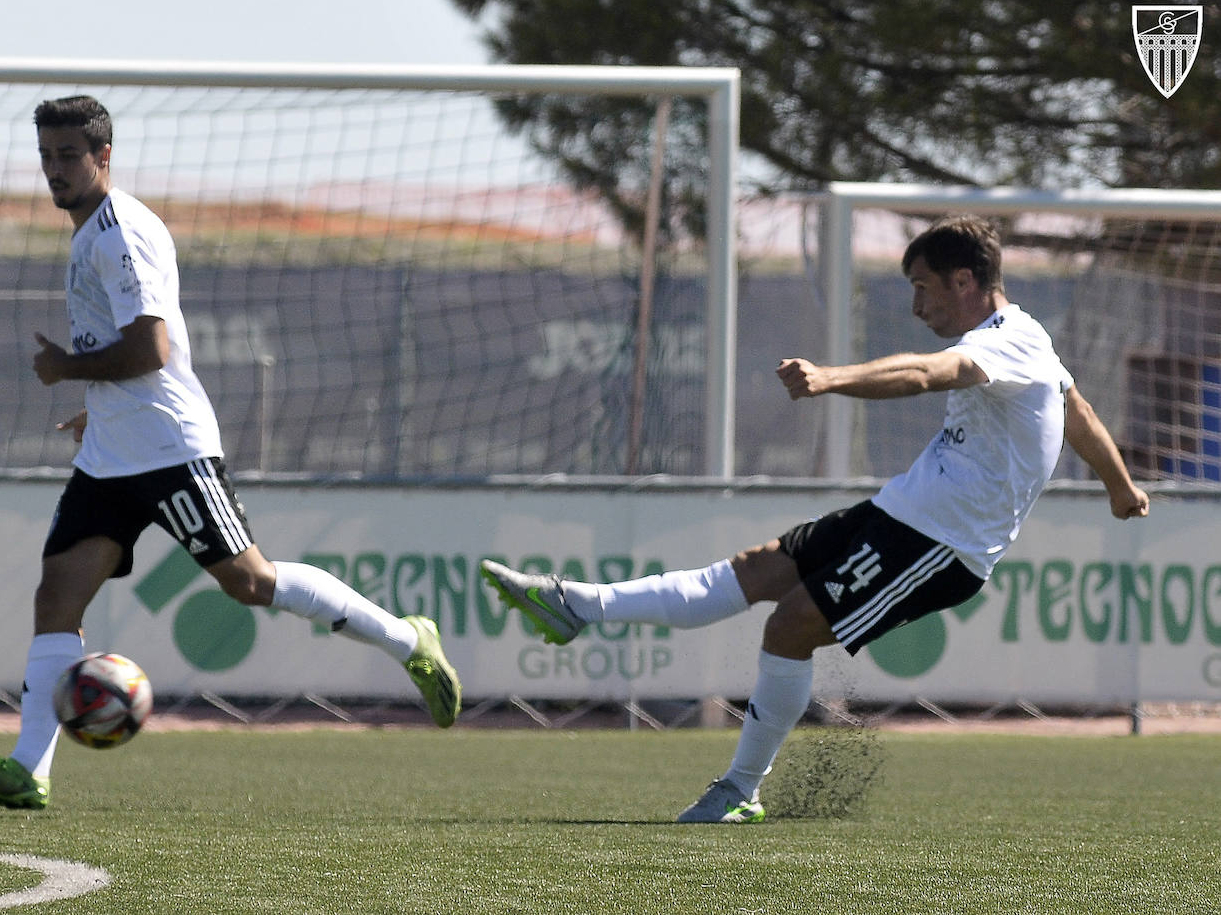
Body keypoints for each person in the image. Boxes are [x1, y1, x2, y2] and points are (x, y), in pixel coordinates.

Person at [481, 214, 1149, 824]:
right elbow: (1077, 406)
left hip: (942, 545)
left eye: (924, 287)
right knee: (753, 570)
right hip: (896, 513)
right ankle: (577, 606)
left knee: (790, 622)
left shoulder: (1003, 341)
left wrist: (831, 378)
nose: (917, 305)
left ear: (965, 279)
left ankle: (741, 788)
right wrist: (1119, 485)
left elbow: (927, 373)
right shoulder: (1026, 340)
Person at [0, 96, 460, 810]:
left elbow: (151, 348)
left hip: (168, 449)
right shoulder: (90, 231)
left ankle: (409, 640)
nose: (55, 169)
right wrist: (99, 410)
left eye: (69, 156)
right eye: (47, 156)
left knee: (248, 581)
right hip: (114, 455)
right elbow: (135, 346)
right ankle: (30, 767)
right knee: (56, 594)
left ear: (104, 157)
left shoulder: (118, 233)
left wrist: (66, 369)